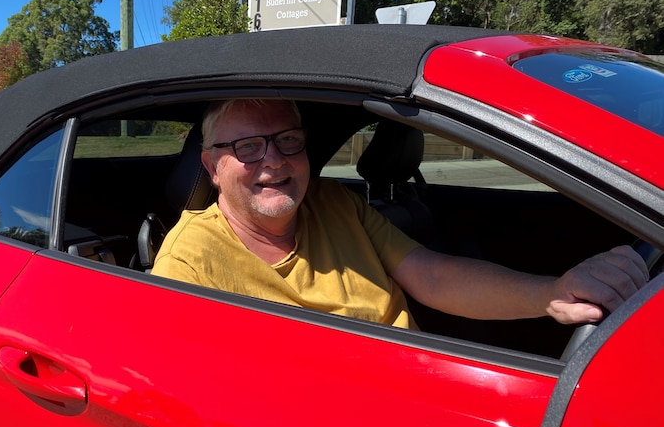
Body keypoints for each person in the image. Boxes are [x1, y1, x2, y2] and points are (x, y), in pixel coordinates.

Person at [152, 99, 648, 330]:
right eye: (247, 148)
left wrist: (551, 293)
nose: (275, 160)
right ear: (213, 167)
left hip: (412, 386)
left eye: (288, 140)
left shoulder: (335, 203)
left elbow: (431, 274)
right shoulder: (189, 261)